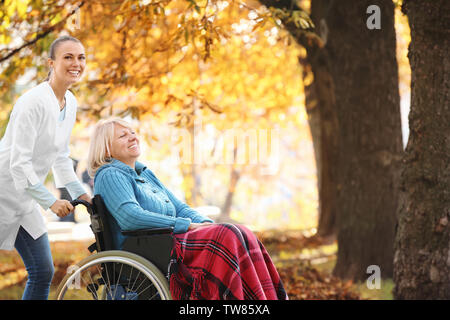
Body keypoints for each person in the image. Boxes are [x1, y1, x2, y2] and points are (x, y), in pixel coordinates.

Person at [87, 118, 288, 300]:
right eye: (123, 135)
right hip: (148, 249)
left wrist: (206, 224)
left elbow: (179, 208)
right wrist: (184, 225)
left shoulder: (144, 174)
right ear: (106, 150)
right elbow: (130, 217)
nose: (132, 136)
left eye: (132, 132)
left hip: (165, 241)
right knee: (226, 234)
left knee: (239, 231)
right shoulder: (110, 174)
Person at [0, 35, 91, 300]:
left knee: (42, 270)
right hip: (4, 188)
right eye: (68, 57)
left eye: (81, 57)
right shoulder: (32, 102)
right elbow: (19, 163)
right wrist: (51, 201)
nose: (76, 63)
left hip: (25, 198)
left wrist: (79, 192)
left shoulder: (69, 102)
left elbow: (61, 155)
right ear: (51, 63)